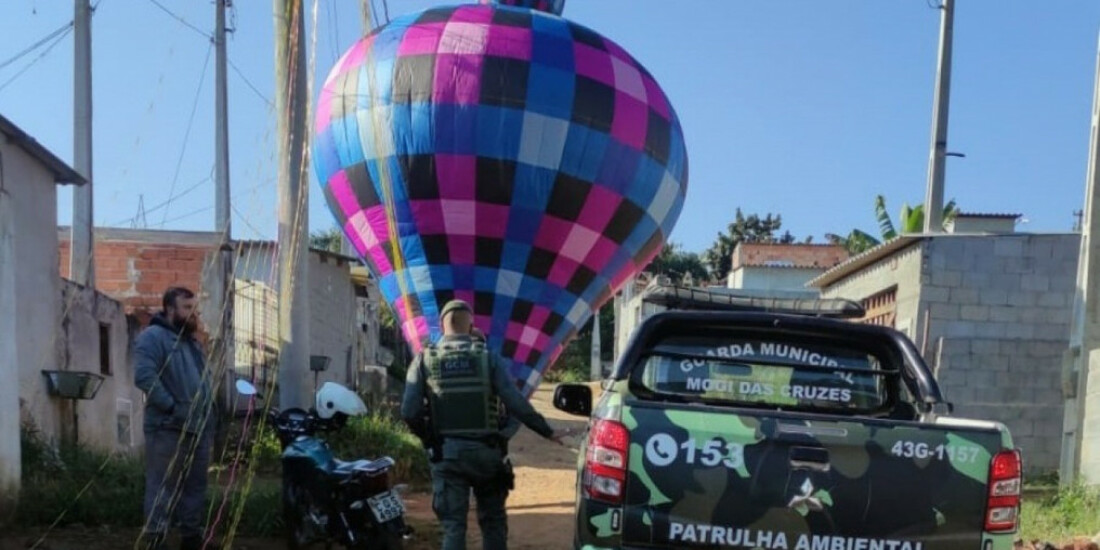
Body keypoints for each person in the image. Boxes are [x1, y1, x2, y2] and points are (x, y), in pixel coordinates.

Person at [401, 300, 568, 550]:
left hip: (447, 456)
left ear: (442, 326)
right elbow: (516, 403)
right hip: (487, 456)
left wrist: (430, 439)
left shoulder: (424, 360)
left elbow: (409, 411)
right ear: (471, 327)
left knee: (454, 528)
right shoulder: (489, 358)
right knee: (493, 524)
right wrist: (547, 431)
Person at [133, 287, 215, 550]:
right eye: (187, 308)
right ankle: (156, 540)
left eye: (195, 308)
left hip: (196, 428)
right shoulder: (153, 337)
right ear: (170, 309)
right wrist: (171, 408)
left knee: (195, 487)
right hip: (167, 428)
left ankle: (191, 539)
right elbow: (145, 376)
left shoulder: (191, 342)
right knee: (161, 486)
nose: (193, 314)